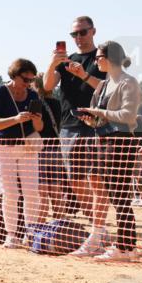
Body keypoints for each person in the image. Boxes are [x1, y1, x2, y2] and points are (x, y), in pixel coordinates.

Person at [72, 41, 142, 260]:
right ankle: (127, 247)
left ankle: (125, 247)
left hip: (121, 142)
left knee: (120, 197)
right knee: (115, 196)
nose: (95, 61)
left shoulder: (128, 82)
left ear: (111, 58)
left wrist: (97, 112)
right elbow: (100, 120)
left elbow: (128, 116)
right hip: (103, 142)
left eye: (99, 57)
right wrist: (90, 119)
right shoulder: (103, 85)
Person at [43, 16, 107, 219]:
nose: (78, 37)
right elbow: (47, 86)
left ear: (93, 31)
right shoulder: (65, 60)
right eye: (74, 34)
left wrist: (83, 75)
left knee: (98, 178)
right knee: (75, 178)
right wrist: (53, 63)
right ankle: (95, 224)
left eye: (82, 32)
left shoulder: (102, 58)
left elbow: (109, 88)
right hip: (69, 125)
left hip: (97, 123)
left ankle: (99, 226)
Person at [0, 59, 44, 248]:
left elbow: (40, 127)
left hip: (27, 147)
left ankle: (31, 233)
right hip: (3, 147)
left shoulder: (33, 95)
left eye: (31, 80)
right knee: (10, 192)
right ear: (14, 75)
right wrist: (16, 119)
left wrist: (35, 119)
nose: (28, 84)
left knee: (31, 192)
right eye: (25, 79)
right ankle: (11, 235)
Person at [33, 72, 66, 221]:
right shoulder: (58, 103)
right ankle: (60, 223)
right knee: (56, 189)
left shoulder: (36, 103)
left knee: (42, 191)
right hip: (56, 148)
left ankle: (40, 224)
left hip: (41, 149)